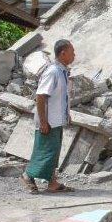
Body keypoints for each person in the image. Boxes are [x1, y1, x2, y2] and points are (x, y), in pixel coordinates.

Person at [20, 39, 75, 193]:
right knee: (44, 152)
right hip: (48, 121)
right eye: (72, 52)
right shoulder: (53, 72)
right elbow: (41, 97)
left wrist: (67, 114)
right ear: (63, 53)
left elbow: (61, 97)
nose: (74, 55)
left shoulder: (62, 71)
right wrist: (43, 121)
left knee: (53, 153)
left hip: (57, 120)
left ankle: (52, 183)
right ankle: (27, 175)